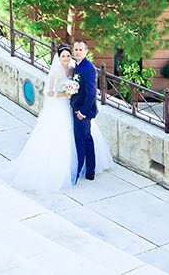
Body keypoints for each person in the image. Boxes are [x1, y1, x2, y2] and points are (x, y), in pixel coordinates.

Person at [7, 44, 112, 193]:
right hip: (62, 106)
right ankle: (77, 169)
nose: (67, 57)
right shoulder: (58, 70)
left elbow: (89, 91)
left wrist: (76, 100)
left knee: (83, 138)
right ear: (58, 57)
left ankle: (87, 170)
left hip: (76, 109)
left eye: (69, 55)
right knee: (68, 138)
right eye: (64, 56)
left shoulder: (76, 67)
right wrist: (66, 93)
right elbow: (49, 91)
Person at [70, 37, 99, 181]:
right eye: (76, 49)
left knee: (83, 140)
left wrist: (83, 112)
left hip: (82, 112)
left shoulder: (88, 68)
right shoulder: (78, 66)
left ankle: (84, 171)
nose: (78, 52)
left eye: (81, 49)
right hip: (77, 109)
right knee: (85, 139)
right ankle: (88, 171)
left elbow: (92, 93)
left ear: (86, 51)